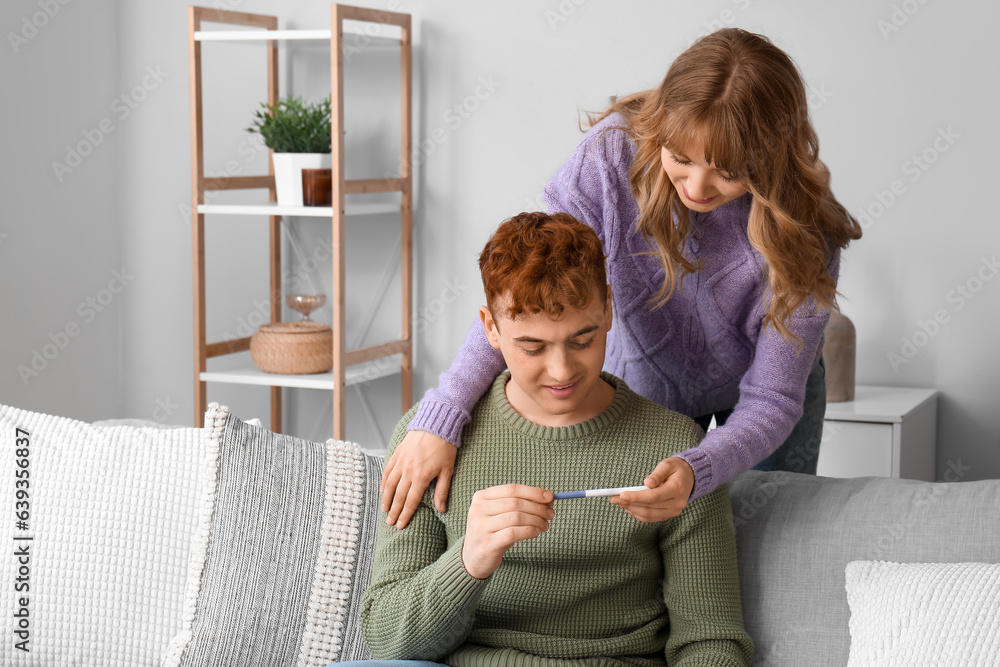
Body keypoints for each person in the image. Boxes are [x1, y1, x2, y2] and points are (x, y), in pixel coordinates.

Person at [380, 28, 863, 529]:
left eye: (729, 171)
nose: (697, 187)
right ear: (663, 129)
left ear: (772, 157)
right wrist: (441, 418)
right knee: (655, 540)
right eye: (681, 158)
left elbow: (772, 398)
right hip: (648, 383)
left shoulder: (808, 230)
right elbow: (527, 299)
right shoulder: (610, 159)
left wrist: (700, 469)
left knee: (770, 536)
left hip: (766, 398)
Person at [353, 211, 752, 667]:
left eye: (581, 340)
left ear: (607, 309)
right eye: (532, 348)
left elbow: (712, 643)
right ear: (490, 328)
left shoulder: (678, 452)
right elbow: (387, 641)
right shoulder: (427, 445)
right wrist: (468, 561)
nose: (561, 372)